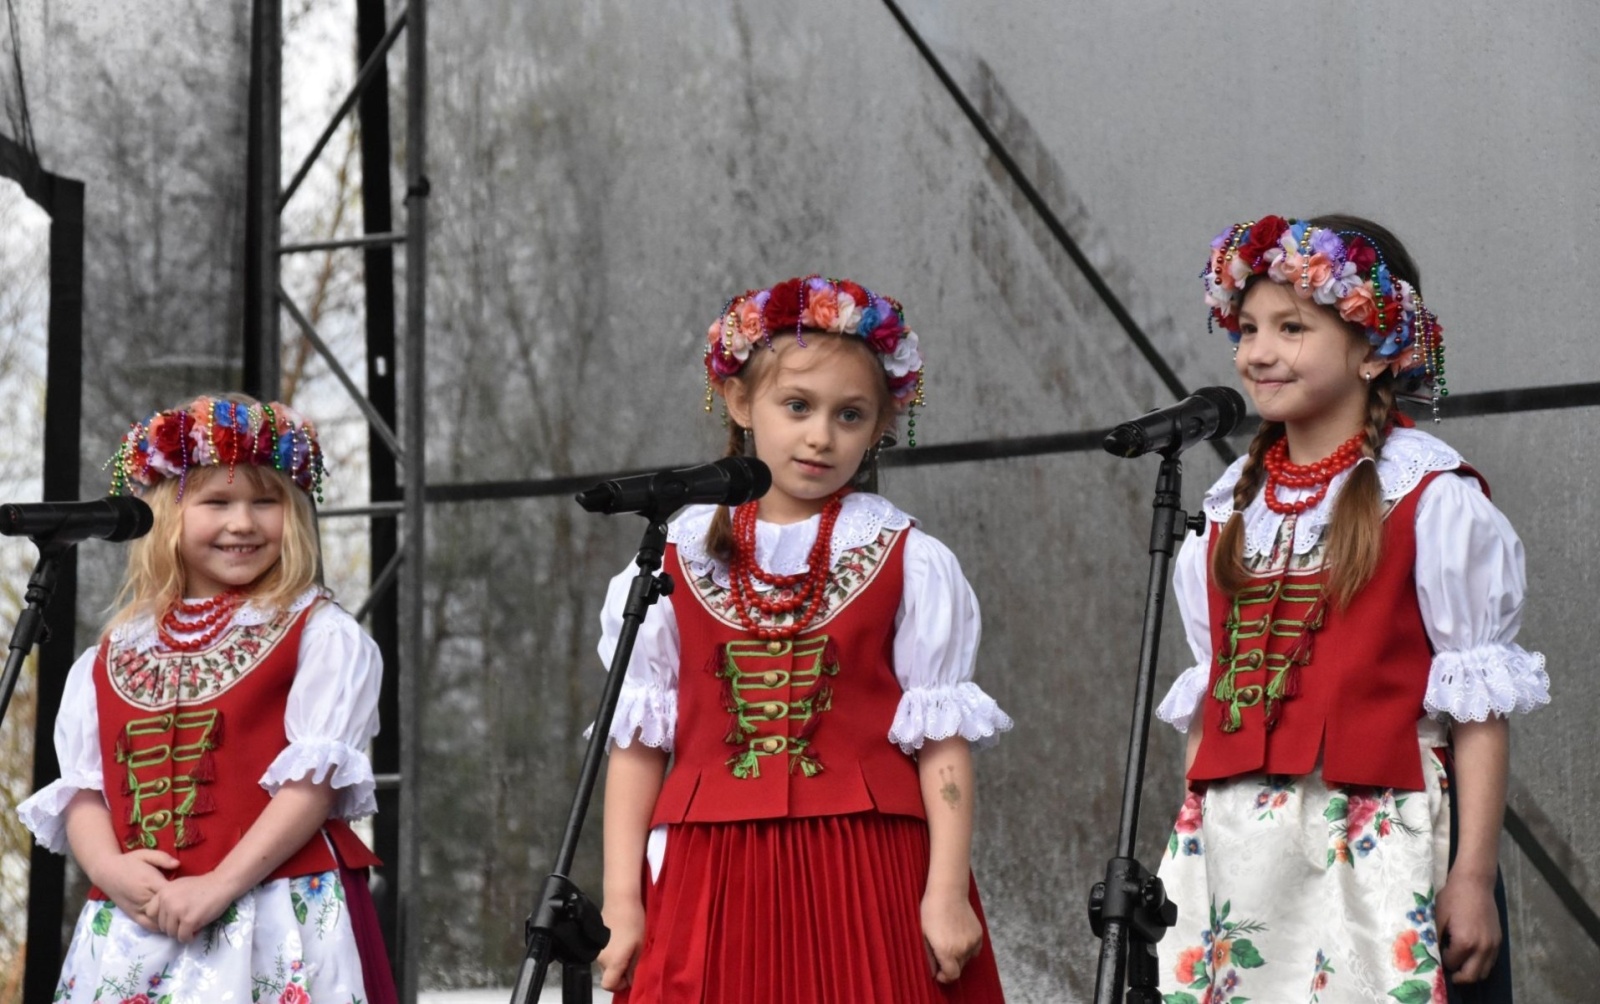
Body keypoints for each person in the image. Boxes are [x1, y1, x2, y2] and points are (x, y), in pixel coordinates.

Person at [1153, 216, 1549, 1003]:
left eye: (1291, 328)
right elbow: (1211, 710)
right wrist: (1190, 854)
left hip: (1385, 849)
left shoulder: (1431, 497)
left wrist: (1473, 876)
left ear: (1372, 350)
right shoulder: (1228, 508)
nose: (1258, 352)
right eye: (1248, 328)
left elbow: (1478, 713)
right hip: (1242, 856)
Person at [594, 275, 1013, 1002]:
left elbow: (943, 742)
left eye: (850, 415)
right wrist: (622, 901)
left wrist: (945, 892)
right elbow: (638, 746)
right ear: (739, 403)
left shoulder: (910, 558)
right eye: (798, 406)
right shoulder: (671, 559)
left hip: (866, 862)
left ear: (880, 426)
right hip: (711, 867)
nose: (821, 435)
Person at [18, 395, 395, 1004]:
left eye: (266, 502)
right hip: (137, 927)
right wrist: (110, 870)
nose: (242, 523)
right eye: (217, 502)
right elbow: (85, 791)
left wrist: (219, 885)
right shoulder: (109, 655)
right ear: (166, 514)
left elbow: (313, 785)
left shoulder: (319, 634)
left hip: (272, 910)